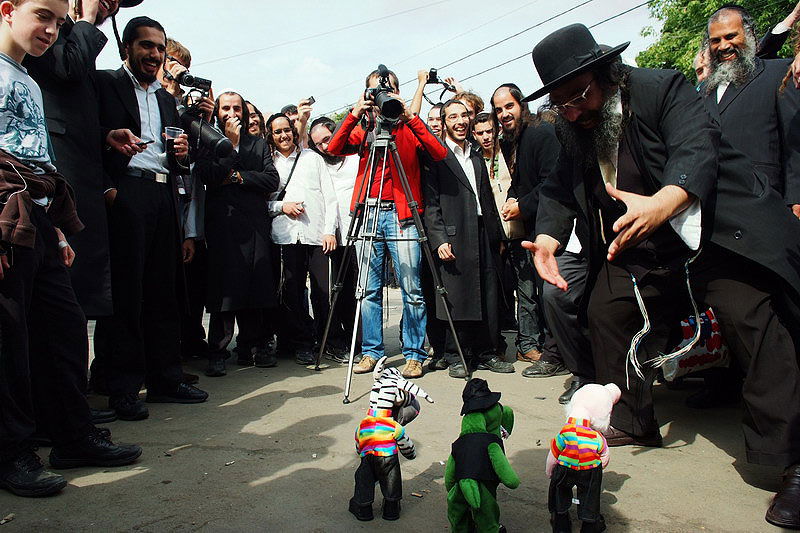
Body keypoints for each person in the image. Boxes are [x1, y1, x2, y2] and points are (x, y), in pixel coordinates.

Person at [525, 23, 800, 529]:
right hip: (643, 246)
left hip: (713, 235)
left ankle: (792, 457)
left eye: (579, 96)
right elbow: (558, 188)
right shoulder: (572, 126)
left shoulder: (661, 88)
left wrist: (665, 202)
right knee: (606, 309)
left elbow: (698, 147)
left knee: (750, 318)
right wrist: (547, 238)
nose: (572, 111)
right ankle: (631, 417)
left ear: (607, 74)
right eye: (560, 103)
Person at [0, 0, 141, 498]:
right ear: (8, 9)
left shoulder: (28, 80)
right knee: (9, 343)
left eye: (59, 22)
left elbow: (39, 158)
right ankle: (12, 453)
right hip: (5, 219)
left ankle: (73, 436)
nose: (51, 30)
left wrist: (58, 229)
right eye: (43, 15)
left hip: (40, 220)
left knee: (62, 331)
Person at [93, 16, 208, 420]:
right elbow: (88, 134)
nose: (154, 54)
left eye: (159, 47)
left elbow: (176, 157)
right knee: (127, 294)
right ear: (126, 48)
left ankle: (166, 379)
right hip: (125, 192)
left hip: (164, 194)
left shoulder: (166, 100)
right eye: (146, 45)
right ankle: (123, 387)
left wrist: (182, 156)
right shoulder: (105, 83)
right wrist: (108, 188)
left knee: (165, 291)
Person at [327, 67, 448, 379]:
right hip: (369, 211)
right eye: (376, 91)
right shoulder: (365, 128)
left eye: (388, 89)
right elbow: (333, 148)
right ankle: (372, 352)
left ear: (397, 92)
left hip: (402, 214)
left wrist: (409, 117)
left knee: (412, 288)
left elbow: (438, 153)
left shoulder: (407, 126)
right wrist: (355, 113)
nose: (382, 96)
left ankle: (414, 354)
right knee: (367, 289)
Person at [23, 0, 138, 319]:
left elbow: (73, 107)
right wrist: (86, 18)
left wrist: (104, 134)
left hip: (80, 172)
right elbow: (67, 69)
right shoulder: (58, 30)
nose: (112, 3)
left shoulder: (77, 35)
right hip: (52, 170)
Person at [423, 100, 511, 378]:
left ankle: (487, 352)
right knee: (457, 296)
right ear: (444, 122)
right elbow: (430, 203)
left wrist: (497, 235)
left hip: (483, 231)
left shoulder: (475, 154)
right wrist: (439, 239)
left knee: (487, 292)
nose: (460, 121)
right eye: (453, 117)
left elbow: (487, 197)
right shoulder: (436, 155)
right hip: (454, 234)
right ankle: (456, 355)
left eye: (463, 115)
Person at [195, 91, 279, 376]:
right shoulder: (207, 141)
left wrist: (239, 177)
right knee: (224, 290)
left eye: (237, 108)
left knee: (256, 287)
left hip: (254, 225)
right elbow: (209, 176)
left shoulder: (258, 143)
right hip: (223, 226)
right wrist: (230, 146)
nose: (232, 113)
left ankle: (252, 347)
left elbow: (271, 179)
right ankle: (217, 351)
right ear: (217, 112)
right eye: (226, 108)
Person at [703, 5, 800, 213]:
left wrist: (796, 199)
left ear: (749, 35)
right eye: (715, 40)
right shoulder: (702, 91)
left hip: (767, 206)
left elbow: (795, 143)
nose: (723, 46)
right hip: (714, 210)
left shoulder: (778, 73)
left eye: (731, 36)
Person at [490, 83, 557, 369]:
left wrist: (523, 205)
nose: (504, 114)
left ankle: (555, 351)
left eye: (509, 106)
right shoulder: (509, 140)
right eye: (498, 110)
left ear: (522, 105)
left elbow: (552, 183)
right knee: (529, 290)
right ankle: (531, 345)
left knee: (551, 293)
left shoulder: (541, 133)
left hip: (549, 227)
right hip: (525, 228)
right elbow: (519, 182)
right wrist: (511, 198)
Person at [266, 112, 338, 365]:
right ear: (271, 136)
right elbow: (262, 203)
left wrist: (329, 230)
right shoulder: (268, 162)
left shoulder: (312, 158)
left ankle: (328, 340)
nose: (283, 135)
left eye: (286, 130)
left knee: (323, 292)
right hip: (285, 236)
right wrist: (281, 206)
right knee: (292, 293)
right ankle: (302, 343)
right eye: (277, 132)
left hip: (317, 235)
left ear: (294, 131)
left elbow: (329, 196)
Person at [309, 116, 360, 362]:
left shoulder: (356, 157)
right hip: (333, 238)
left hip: (361, 234)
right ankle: (337, 342)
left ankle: (361, 342)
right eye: (318, 144)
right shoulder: (318, 164)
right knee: (336, 293)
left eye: (327, 139)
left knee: (359, 292)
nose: (325, 147)